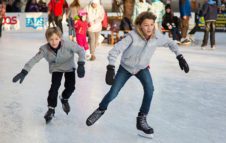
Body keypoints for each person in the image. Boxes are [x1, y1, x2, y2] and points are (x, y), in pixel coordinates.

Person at [86, 12, 189, 137]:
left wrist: (180, 57)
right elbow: (115, 50)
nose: (149, 28)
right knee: (113, 92)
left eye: (151, 25)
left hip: (142, 68)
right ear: (140, 25)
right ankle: (101, 109)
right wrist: (111, 67)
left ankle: (141, 119)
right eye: (146, 25)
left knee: (150, 90)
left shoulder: (157, 37)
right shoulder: (132, 36)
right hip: (126, 68)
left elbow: (171, 43)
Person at [12, 27, 86, 123]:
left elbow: (81, 50)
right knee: (54, 87)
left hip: (69, 67)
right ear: (47, 40)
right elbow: (34, 59)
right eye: (51, 39)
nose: (54, 42)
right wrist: (24, 71)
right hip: (56, 68)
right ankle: (51, 109)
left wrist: (81, 64)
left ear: (60, 38)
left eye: (56, 39)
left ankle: (64, 98)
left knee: (71, 87)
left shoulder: (68, 44)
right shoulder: (44, 49)